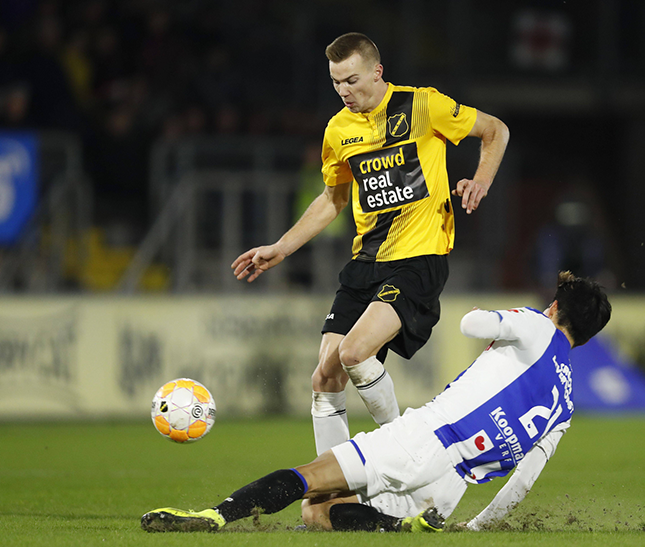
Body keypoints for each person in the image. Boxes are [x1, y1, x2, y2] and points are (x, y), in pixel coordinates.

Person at [141, 271, 611, 533]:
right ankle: (400, 528)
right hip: (450, 489)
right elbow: (524, 478)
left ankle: (214, 516)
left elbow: (471, 327)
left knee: (310, 477)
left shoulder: (535, 325)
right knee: (318, 514)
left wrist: (494, 316)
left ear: (555, 306)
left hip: (427, 439)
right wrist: (477, 528)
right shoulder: (566, 399)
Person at [231, 32, 510, 457]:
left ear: (378, 72)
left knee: (354, 351)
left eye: (353, 80)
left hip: (419, 257)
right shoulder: (338, 130)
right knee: (324, 378)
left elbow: (496, 130)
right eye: (337, 82)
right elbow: (333, 200)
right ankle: (332, 495)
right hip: (366, 261)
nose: (345, 91)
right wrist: (282, 247)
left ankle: (412, 454)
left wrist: (481, 180)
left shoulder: (422, 104)